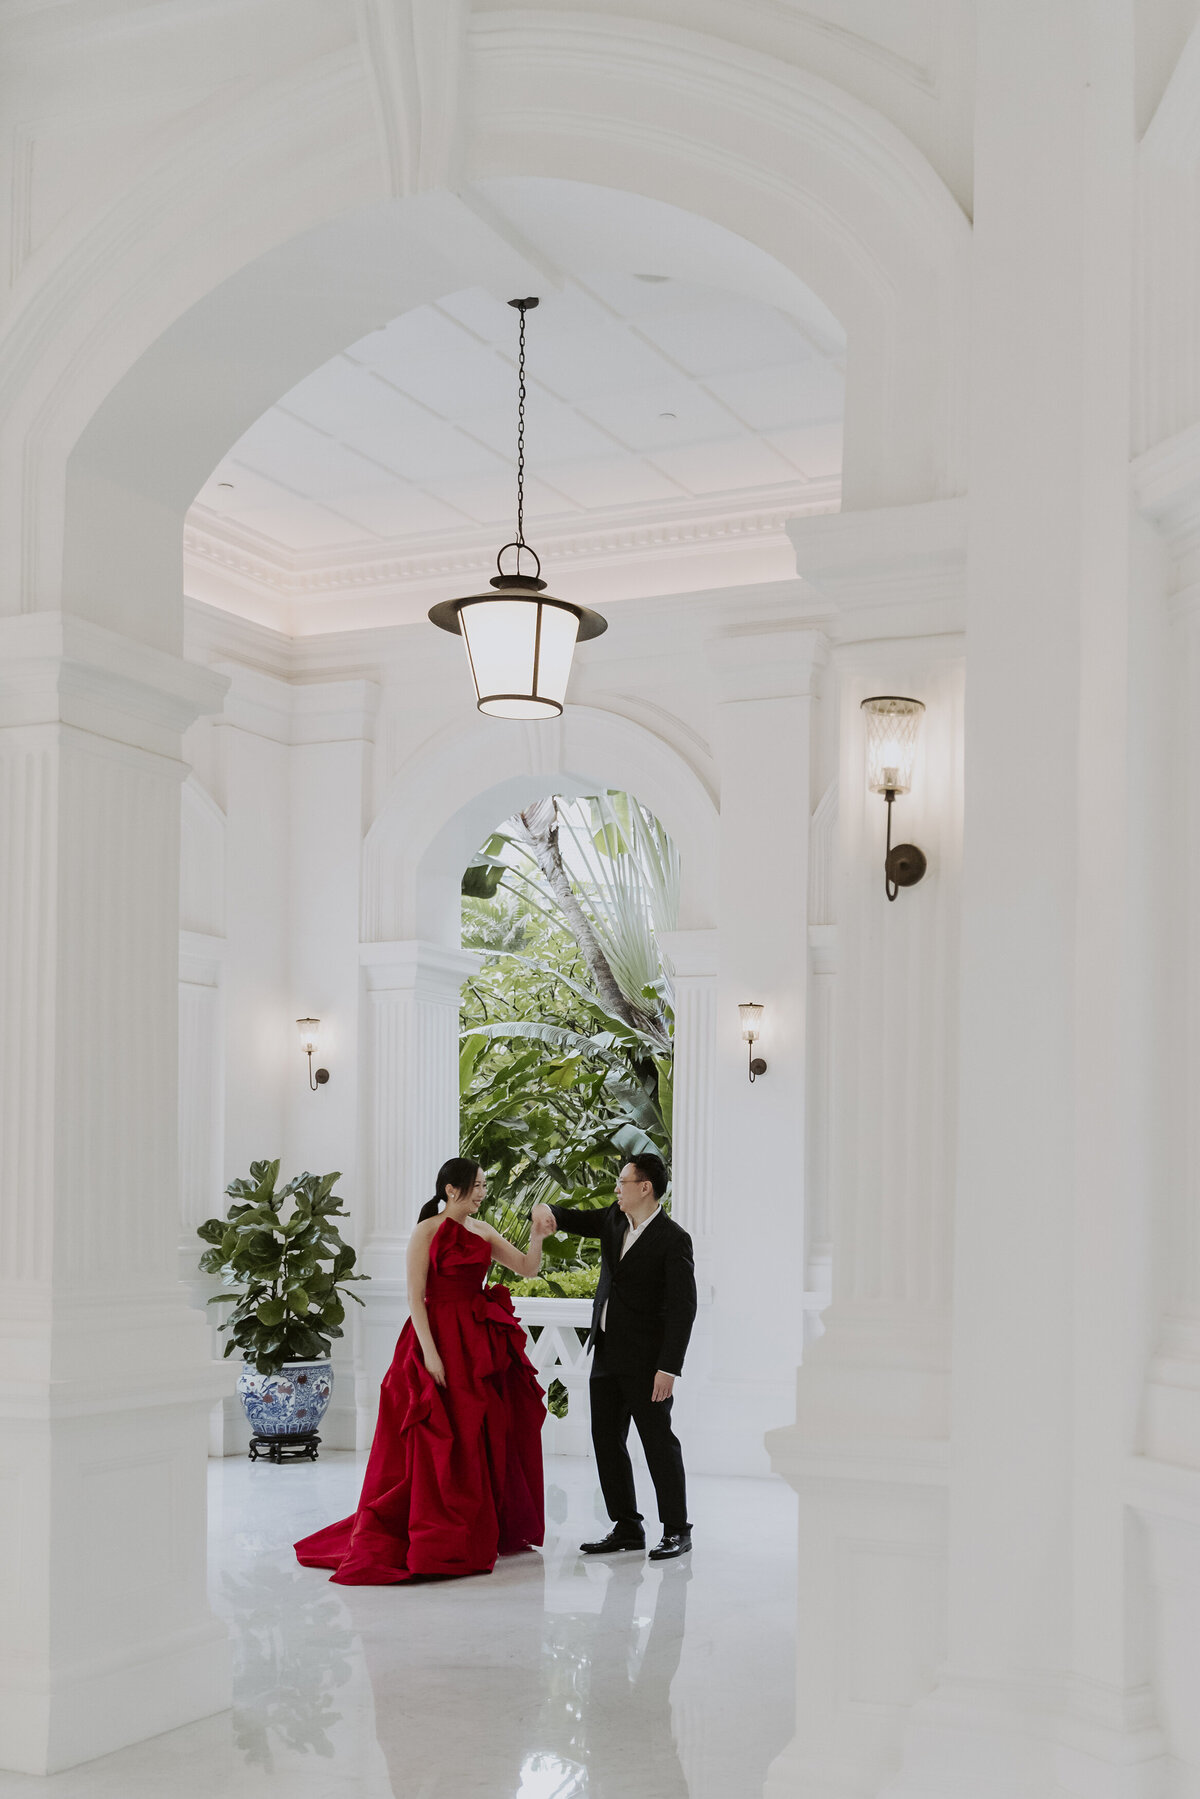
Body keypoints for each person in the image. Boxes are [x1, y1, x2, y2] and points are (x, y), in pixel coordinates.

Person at [295, 1157, 554, 1584]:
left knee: (477, 1432)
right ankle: (434, 1530)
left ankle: (477, 1526)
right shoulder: (426, 1231)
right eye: (477, 1184)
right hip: (436, 1339)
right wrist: (431, 1355)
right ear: (452, 1189)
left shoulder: (484, 1231)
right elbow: (416, 1298)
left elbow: (527, 1267)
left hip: (477, 1344)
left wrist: (537, 1236)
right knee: (437, 1436)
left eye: (484, 1184)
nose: (482, 1191)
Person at [532, 1153, 697, 1561]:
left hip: (647, 1363)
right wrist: (547, 1211)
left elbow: (683, 1309)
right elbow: (574, 1218)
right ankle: (627, 1526)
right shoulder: (613, 1219)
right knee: (606, 1441)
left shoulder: (674, 1239)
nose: (616, 1188)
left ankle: (677, 1529)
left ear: (645, 1188)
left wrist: (668, 1368)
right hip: (605, 1353)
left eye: (623, 1182)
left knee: (658, 1444)